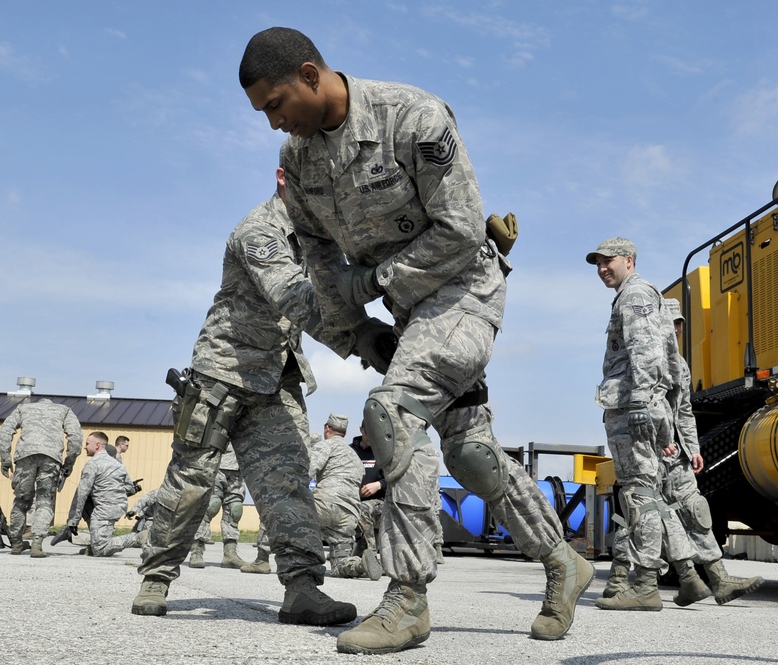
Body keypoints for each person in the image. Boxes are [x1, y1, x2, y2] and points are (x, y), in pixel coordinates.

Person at [240, 28, 591, 653]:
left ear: (309, 74)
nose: (273, 123)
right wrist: (359, 330)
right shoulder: (300, 161)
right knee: (470, 454)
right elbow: (319, 256)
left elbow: (459, 230)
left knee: (394, 414)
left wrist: (373, 281)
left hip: (465, 291)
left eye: (275, 104)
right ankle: (564, 561)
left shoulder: (412, 117)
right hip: (409, 314)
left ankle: (407, 597)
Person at [131, 154, 374, 627]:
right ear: (282, 179)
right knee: (192, 480)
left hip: (276, 380)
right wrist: (362, 335)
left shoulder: (320, 237)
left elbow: (342, 283)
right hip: (222, 374)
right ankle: (156, 578)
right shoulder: (257, 230)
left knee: (288, 484)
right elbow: (295, 297)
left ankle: (303, 589)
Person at [603, 298, 764, 606]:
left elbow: (684, 411)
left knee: (693, 509)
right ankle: (620, 581)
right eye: (670, 321)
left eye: (679, 323)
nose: (675, 328)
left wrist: (692, 448)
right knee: (643, 510)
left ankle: (716, 578)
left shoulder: (679, 364)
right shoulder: (648, 356)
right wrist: (663, 439)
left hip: (673, 449)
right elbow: (651, 404)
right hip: (648, 444)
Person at [587, 237, 685, 612]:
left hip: (632, 405)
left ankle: (645, 584)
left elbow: (647, 350)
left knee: (639, 493)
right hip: (629, 404)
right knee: (638, 491)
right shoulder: (631, 295)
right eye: (597, 264)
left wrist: (642, 400)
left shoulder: (636, 295)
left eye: (608, 261)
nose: (602, 269)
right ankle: (641, 580)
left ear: (629, 260)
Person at [0, 397, 83, 558]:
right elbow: (75, 438)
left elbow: (5, 432)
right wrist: (69, 463)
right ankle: (37, 543)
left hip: (25, 456)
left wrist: (5, 458)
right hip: (51, 458)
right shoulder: (64, 410)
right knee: (45, 501)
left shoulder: (23, 408)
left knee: (21, 500)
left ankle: (16, 543)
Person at [309, 413, 381, 580]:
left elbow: (306, 471)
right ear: (345, 433)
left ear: (327, 428)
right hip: (349, 514)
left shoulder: (326, 446)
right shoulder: (354, 455)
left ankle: (263, 558)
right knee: (340, 565)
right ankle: (359, 565)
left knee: (290, 519)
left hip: (325, 504)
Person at [60, 431, 134, 557]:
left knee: (101, 550)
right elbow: (130, 488)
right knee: (98, 545)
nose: (85, 447)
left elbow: (81, 494)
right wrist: (113, 493)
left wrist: (73, 520)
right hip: (117, 507)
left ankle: (138, 537)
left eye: (87, 444)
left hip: (103, 510)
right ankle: (94, 545)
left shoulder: (92, 464)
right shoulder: (118, 464)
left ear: (97, 445)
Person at [188, 443, 250, 569]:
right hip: (215, 464)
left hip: (238, 468)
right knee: (211, 506)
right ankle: (197, 552)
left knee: (235, 510)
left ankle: (230, 554)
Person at [350, 423, 385, 555]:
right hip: (353, 499)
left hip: (381, 502)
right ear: (361, 430)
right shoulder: (350, 451)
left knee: (363, 509)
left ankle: (369, 553)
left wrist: (379, 484)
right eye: (367, 432)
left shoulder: (383, 452)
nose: (370, 436)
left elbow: (396, 477)